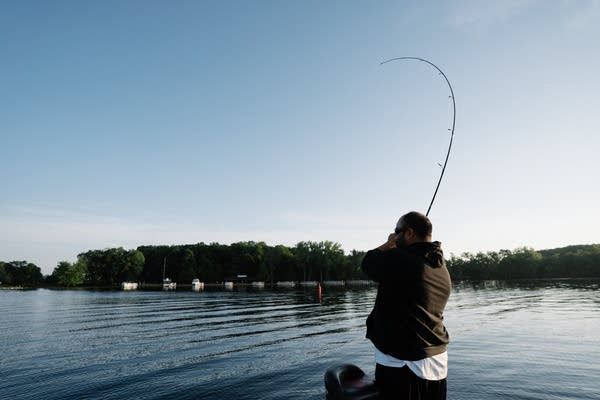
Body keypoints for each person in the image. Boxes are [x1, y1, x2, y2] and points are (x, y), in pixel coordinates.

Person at [361, 211, 451, 400]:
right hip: (437, 364)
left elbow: (368, 263)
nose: (394, 235)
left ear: (409, 233)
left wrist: (389, 243)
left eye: (397, 231)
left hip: (404, 365)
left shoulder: (400, 259)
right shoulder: (441, 269)